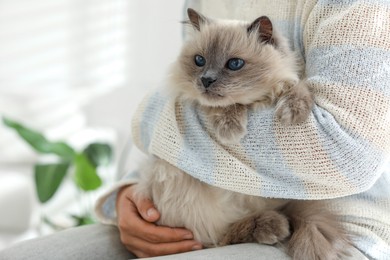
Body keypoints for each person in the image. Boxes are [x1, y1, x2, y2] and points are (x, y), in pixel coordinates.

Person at [1, 0, 389, 259]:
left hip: (343, 220)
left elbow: (345, 151)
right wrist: (132, 196)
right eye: (201, 61)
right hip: (191, 209)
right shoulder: (205, 5)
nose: (208, 78)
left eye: (232, 67)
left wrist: (151, 115)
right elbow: (181, 118)